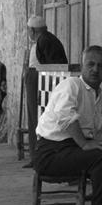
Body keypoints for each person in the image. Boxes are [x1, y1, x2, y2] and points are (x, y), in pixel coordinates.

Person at [34, 46, 102, 205]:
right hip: (51, 153)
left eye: (101, 66)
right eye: (91, 64)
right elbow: (65, 116)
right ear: (81, 66)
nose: (95, 69)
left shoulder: (100, 97)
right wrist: (84, 144)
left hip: (72, 149)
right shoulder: (71, 85)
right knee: (101, 157)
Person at [24, 15, 68, 165]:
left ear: (32, 30)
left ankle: (39, 155)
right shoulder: (45, 39)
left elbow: (52, 67)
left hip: (40, 81)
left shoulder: (45, 40)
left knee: (37, 117)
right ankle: (36, 155)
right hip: (39, 79)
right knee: (36, 116)